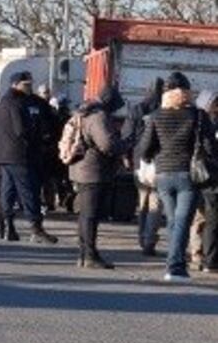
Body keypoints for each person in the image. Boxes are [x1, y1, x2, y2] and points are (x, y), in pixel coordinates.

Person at [136, 72, 216, 282]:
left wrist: (159, 154)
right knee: (181, 221)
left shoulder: (155, 116)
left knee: (173, 221)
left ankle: (173, 260)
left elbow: (144, 150)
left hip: (163, 176)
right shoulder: (198, 116)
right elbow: (210, 148)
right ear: (188, 92)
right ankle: (176, 267)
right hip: (187, 176)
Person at [0, 71, 58, 244]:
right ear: (15, 84)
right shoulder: (16, 103)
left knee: (8, 191)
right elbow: (21, 130)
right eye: (25, 84)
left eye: (30, 84)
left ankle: (6, 226)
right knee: (29, 191)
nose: (29, 87)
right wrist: (40, 138)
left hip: (5, 155)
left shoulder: (3, 103)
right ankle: (35, 228)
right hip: (20, 154)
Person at [70, 86, 126, 269]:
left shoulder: (85, 111)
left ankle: (84, 253)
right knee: (90, 215)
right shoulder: (98, 116)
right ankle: (89, 254)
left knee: (86, 214)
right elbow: (107, 144)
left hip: (81, 167)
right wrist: (123, 145)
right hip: (93, 170)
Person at [122, 78, 164, 255]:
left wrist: (125, 156)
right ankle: (149, 241)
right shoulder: (164, 110)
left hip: (139, 161)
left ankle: (142, 237)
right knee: (155, 202)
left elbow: (127, 134)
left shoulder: (136, 109)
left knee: (143, 201)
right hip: (158, 161)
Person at [195, 90, 218, 274]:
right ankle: (208, 259)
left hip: (199, 175)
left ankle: (199, 256)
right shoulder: (206, 124)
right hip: (209, 176)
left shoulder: (196, 120)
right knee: (210, 220)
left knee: (202, 218)